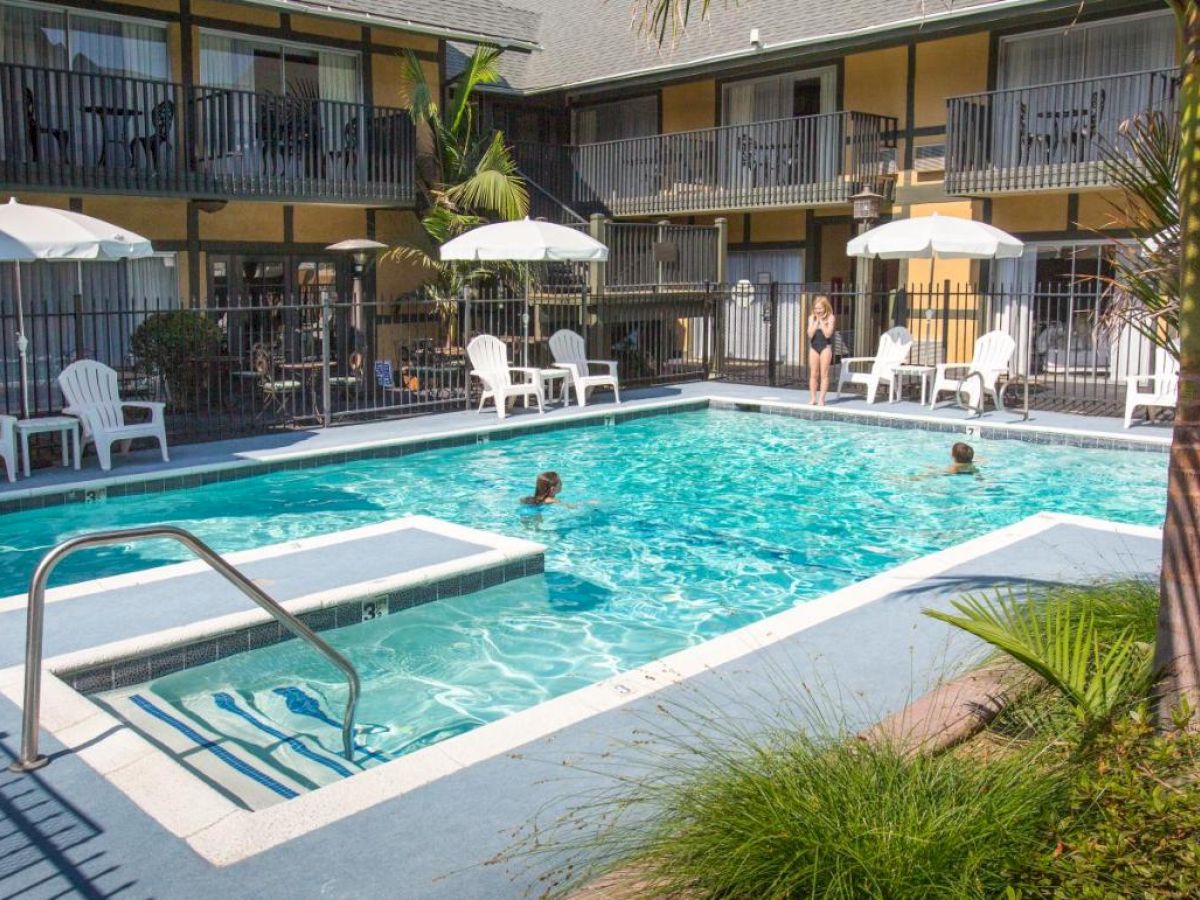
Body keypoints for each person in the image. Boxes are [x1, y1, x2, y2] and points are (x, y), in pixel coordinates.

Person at [807, 295, 836, 406]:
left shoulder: (830, 317)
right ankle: (813, 398)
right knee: (813, 374)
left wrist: (822, 322)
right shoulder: (811, 318)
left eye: (820, 308)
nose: (818, 311)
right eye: (816, 308)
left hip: (825, 347)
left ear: (825, 307)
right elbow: (810, 334)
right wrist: (816, 322)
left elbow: (828, 334)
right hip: (814, 347)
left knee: (824, 374)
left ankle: (821, 399)